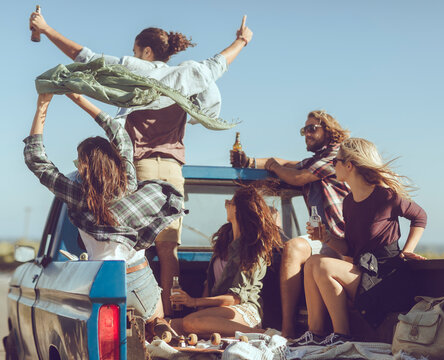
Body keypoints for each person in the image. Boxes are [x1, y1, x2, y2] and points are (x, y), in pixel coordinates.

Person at [30, 11, 253, 317]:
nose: (132, 56)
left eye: (136, 51)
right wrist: (241, 40)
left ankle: (142, 314)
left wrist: (46, 29)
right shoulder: (187, 76)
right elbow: (219, 63)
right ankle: (171, 315)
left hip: (140, 166)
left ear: (146, 52)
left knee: (135, 246)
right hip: (174, 170)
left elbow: (85, 57)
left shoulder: (135, 71)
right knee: (169, 249)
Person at [23, 92, 186, 329]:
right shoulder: (129, 183)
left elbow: (36, 159)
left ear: (85, 167)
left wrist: (42, 105)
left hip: (102, 281)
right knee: (157, 339)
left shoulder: (78, 196)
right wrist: (79, 99)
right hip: (139, 278)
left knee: (108, 350)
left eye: (79, 162)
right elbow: (119, 134)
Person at [292, 137, 427, 346]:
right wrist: (325, 237)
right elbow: (350, 248)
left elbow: (420, 217)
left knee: (320, 263)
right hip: (363, 273)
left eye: (334, 161)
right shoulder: (348, 202)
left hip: (386, 280)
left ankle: (342, 335)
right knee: (313, 261)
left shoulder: (385, 196)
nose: (332, 165)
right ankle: (316, 333)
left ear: (349, 165)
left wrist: (407, 251)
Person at [230, 110, 350, 338]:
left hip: (342, 237)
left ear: (330, 130)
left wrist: (274, 167)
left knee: (295, 247)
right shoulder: (313, 161)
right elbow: (287, 163)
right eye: (304, 130)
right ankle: (289, 332)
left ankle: (301, 331)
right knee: (293, 248)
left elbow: (296, 177)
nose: (307, 134)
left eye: (312, 128)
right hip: (320, 236)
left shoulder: (336, 157)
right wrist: (250, 162)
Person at [169, 186, 283, 337]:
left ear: (238, 209)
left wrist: (194, 302)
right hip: (217, 310)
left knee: (190, 323)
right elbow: (209, 285)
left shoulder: (253, 248)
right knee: (169, 325)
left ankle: (264, 335)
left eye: (230, 202)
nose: (225, 203)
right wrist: (200, 309)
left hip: (244, 309)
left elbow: (236, 298)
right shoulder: (224, 240)